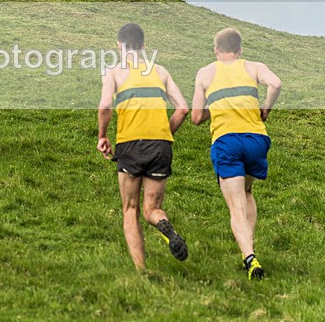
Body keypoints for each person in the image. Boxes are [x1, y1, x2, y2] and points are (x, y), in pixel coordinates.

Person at [97, 23, 189, 271]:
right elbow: (183, 109)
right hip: (161, 146)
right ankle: (165, 226)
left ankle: (142, 271)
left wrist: (102, 136)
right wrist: (163, 135)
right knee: (152, 209)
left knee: (131, 209)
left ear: (119, 45)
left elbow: (105, 106)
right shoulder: (160, 71)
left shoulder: (114, 72)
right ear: (143, 46)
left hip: (130, 144)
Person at [192, 28, 282, 280]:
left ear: (215, 50)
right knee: (247, 191)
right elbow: (275, 83)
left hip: (226, 141)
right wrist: (266, 108)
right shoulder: (253, 66)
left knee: (235, 206)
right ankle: (249, 248)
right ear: (239, 49)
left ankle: (249, 258)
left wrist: (218, 105)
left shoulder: (206, 73)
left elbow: (196, 117)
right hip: (256, 139)